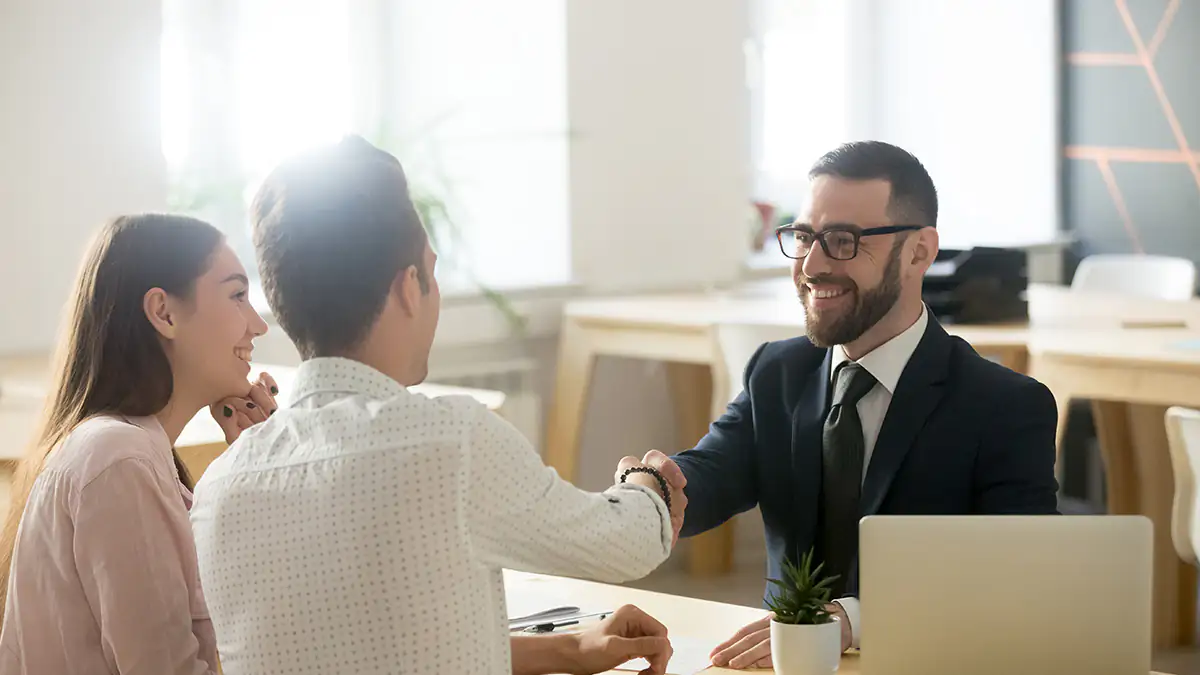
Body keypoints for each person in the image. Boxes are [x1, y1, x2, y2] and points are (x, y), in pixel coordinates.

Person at [189, 136, 687, 675]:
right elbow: (626, 545)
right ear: (409, 286)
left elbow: (378, 648)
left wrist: (570, 647)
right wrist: (645, 482)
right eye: (431, 269)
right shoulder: (451, 442)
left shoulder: (216, 491)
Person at [664, 141, 1060, 669]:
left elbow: (1020, 576)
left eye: (843, 241)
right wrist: (653, 485)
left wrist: (852, 620)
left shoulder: (1005, 407)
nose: (812, 264)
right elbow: (712, 473)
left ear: (919, 251)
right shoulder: (777, 371)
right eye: (804, 236)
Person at [0, 214, 278, 674]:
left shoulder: (128, 455)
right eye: (237, 296)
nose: (257, 326)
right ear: (164, 313)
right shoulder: (118, 459)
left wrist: (251, 468)